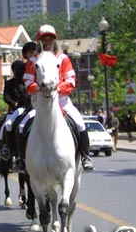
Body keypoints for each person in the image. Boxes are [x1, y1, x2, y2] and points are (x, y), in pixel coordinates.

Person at [23, 24, 94, 172]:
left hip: (61, 100)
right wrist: (39, 88)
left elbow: (71, 80)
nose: (47, 42)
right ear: (39, 42)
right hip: (40, 102)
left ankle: (85, 157)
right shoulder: (33, 61)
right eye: (44, 39)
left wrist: (58, 88)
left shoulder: (63, 58)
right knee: (23, 126)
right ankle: (20, 158)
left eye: (50, 39)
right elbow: (28, 81)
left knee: (80, 124)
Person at [0, 59, 31, 161]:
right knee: (8, 124)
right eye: (17, 69)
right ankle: (7, 148)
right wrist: (14, 103)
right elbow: (6, 97)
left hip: (28, 107)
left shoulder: (28, 81)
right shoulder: (9, 83)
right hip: (16, 108)